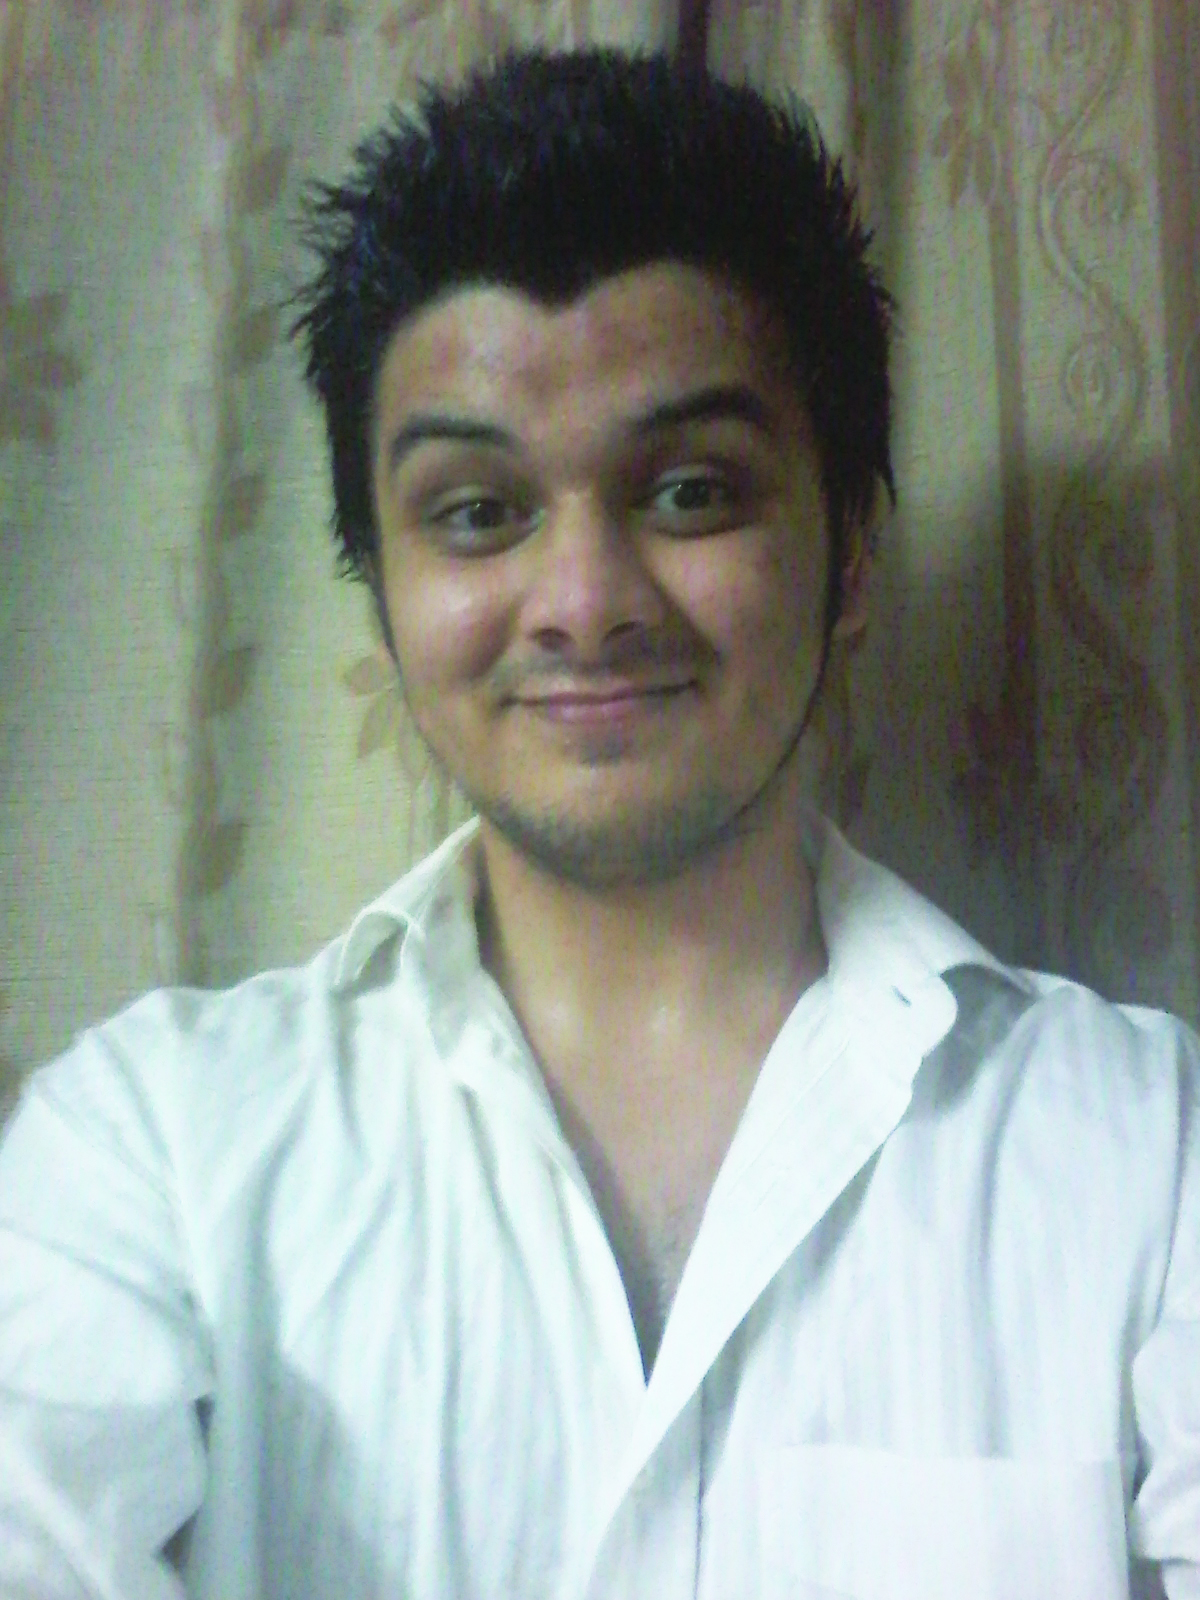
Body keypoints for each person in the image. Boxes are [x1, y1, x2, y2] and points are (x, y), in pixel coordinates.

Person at [0, 45, 1196, 1600]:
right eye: (477, 512)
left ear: (850, 553)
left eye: (691, 491)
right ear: (383, 586)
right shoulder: (148, 1152)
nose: (582, 603)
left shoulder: (1150, 1156)